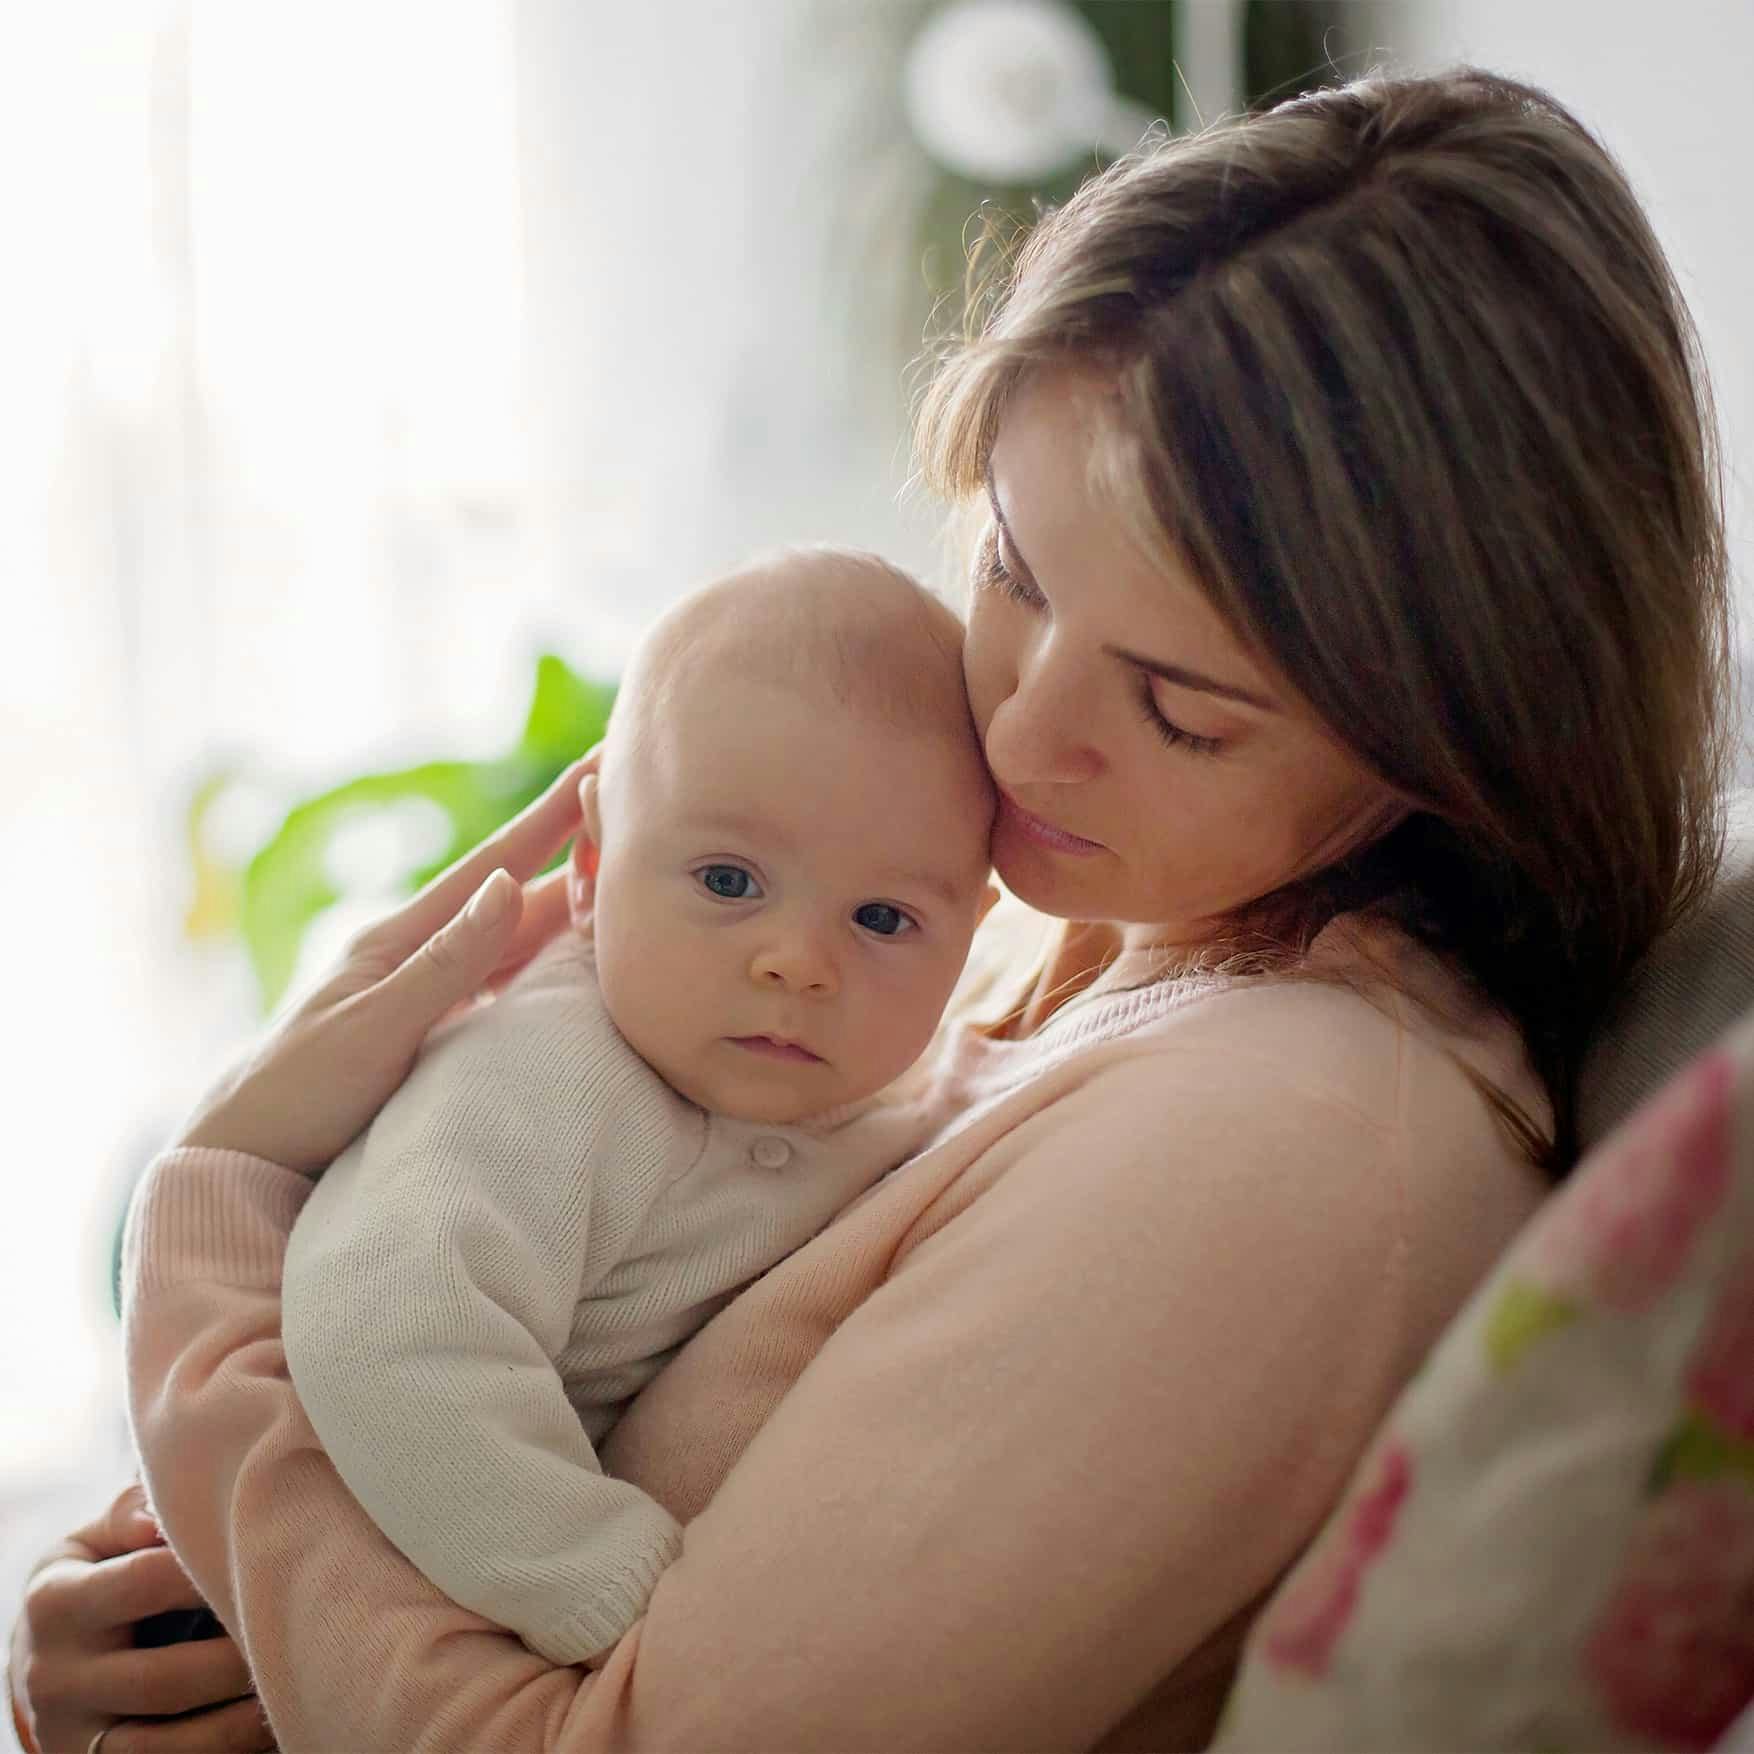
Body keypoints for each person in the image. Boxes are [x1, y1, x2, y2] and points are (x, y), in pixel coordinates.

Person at [9, 66, 1731, 1753]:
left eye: (1181, 705)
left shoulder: (1292, 1139)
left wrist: (215, 1239)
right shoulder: (1075, 921)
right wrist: (203, 1606)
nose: (1023, 728)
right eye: (1012, 569)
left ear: (1462, 727)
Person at [280, 546, 996, 1666]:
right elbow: (388, 1325)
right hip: (367, 1579)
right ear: (589, 866)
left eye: (883, 919)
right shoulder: (547, 1075)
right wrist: (613, 1583)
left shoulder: (891, 1098)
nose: (797, 962)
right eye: (726, 881)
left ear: (969, 935)